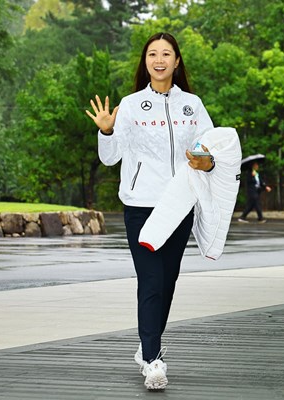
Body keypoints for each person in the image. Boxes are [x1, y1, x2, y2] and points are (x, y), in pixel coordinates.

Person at [85, 32, 214, 391]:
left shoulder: (193, 105)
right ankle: (154, 362)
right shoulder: (129, 105)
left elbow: (210, 152)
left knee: (168, 282)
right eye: (152, 54)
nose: (159, 59)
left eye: (166, 54)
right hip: (141, 207)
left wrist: (206, 161)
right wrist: (107, 131)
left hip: (180, 206)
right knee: (152, 281)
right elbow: (109, 157)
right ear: (146, 62)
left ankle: (147, 344)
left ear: (176, 61)